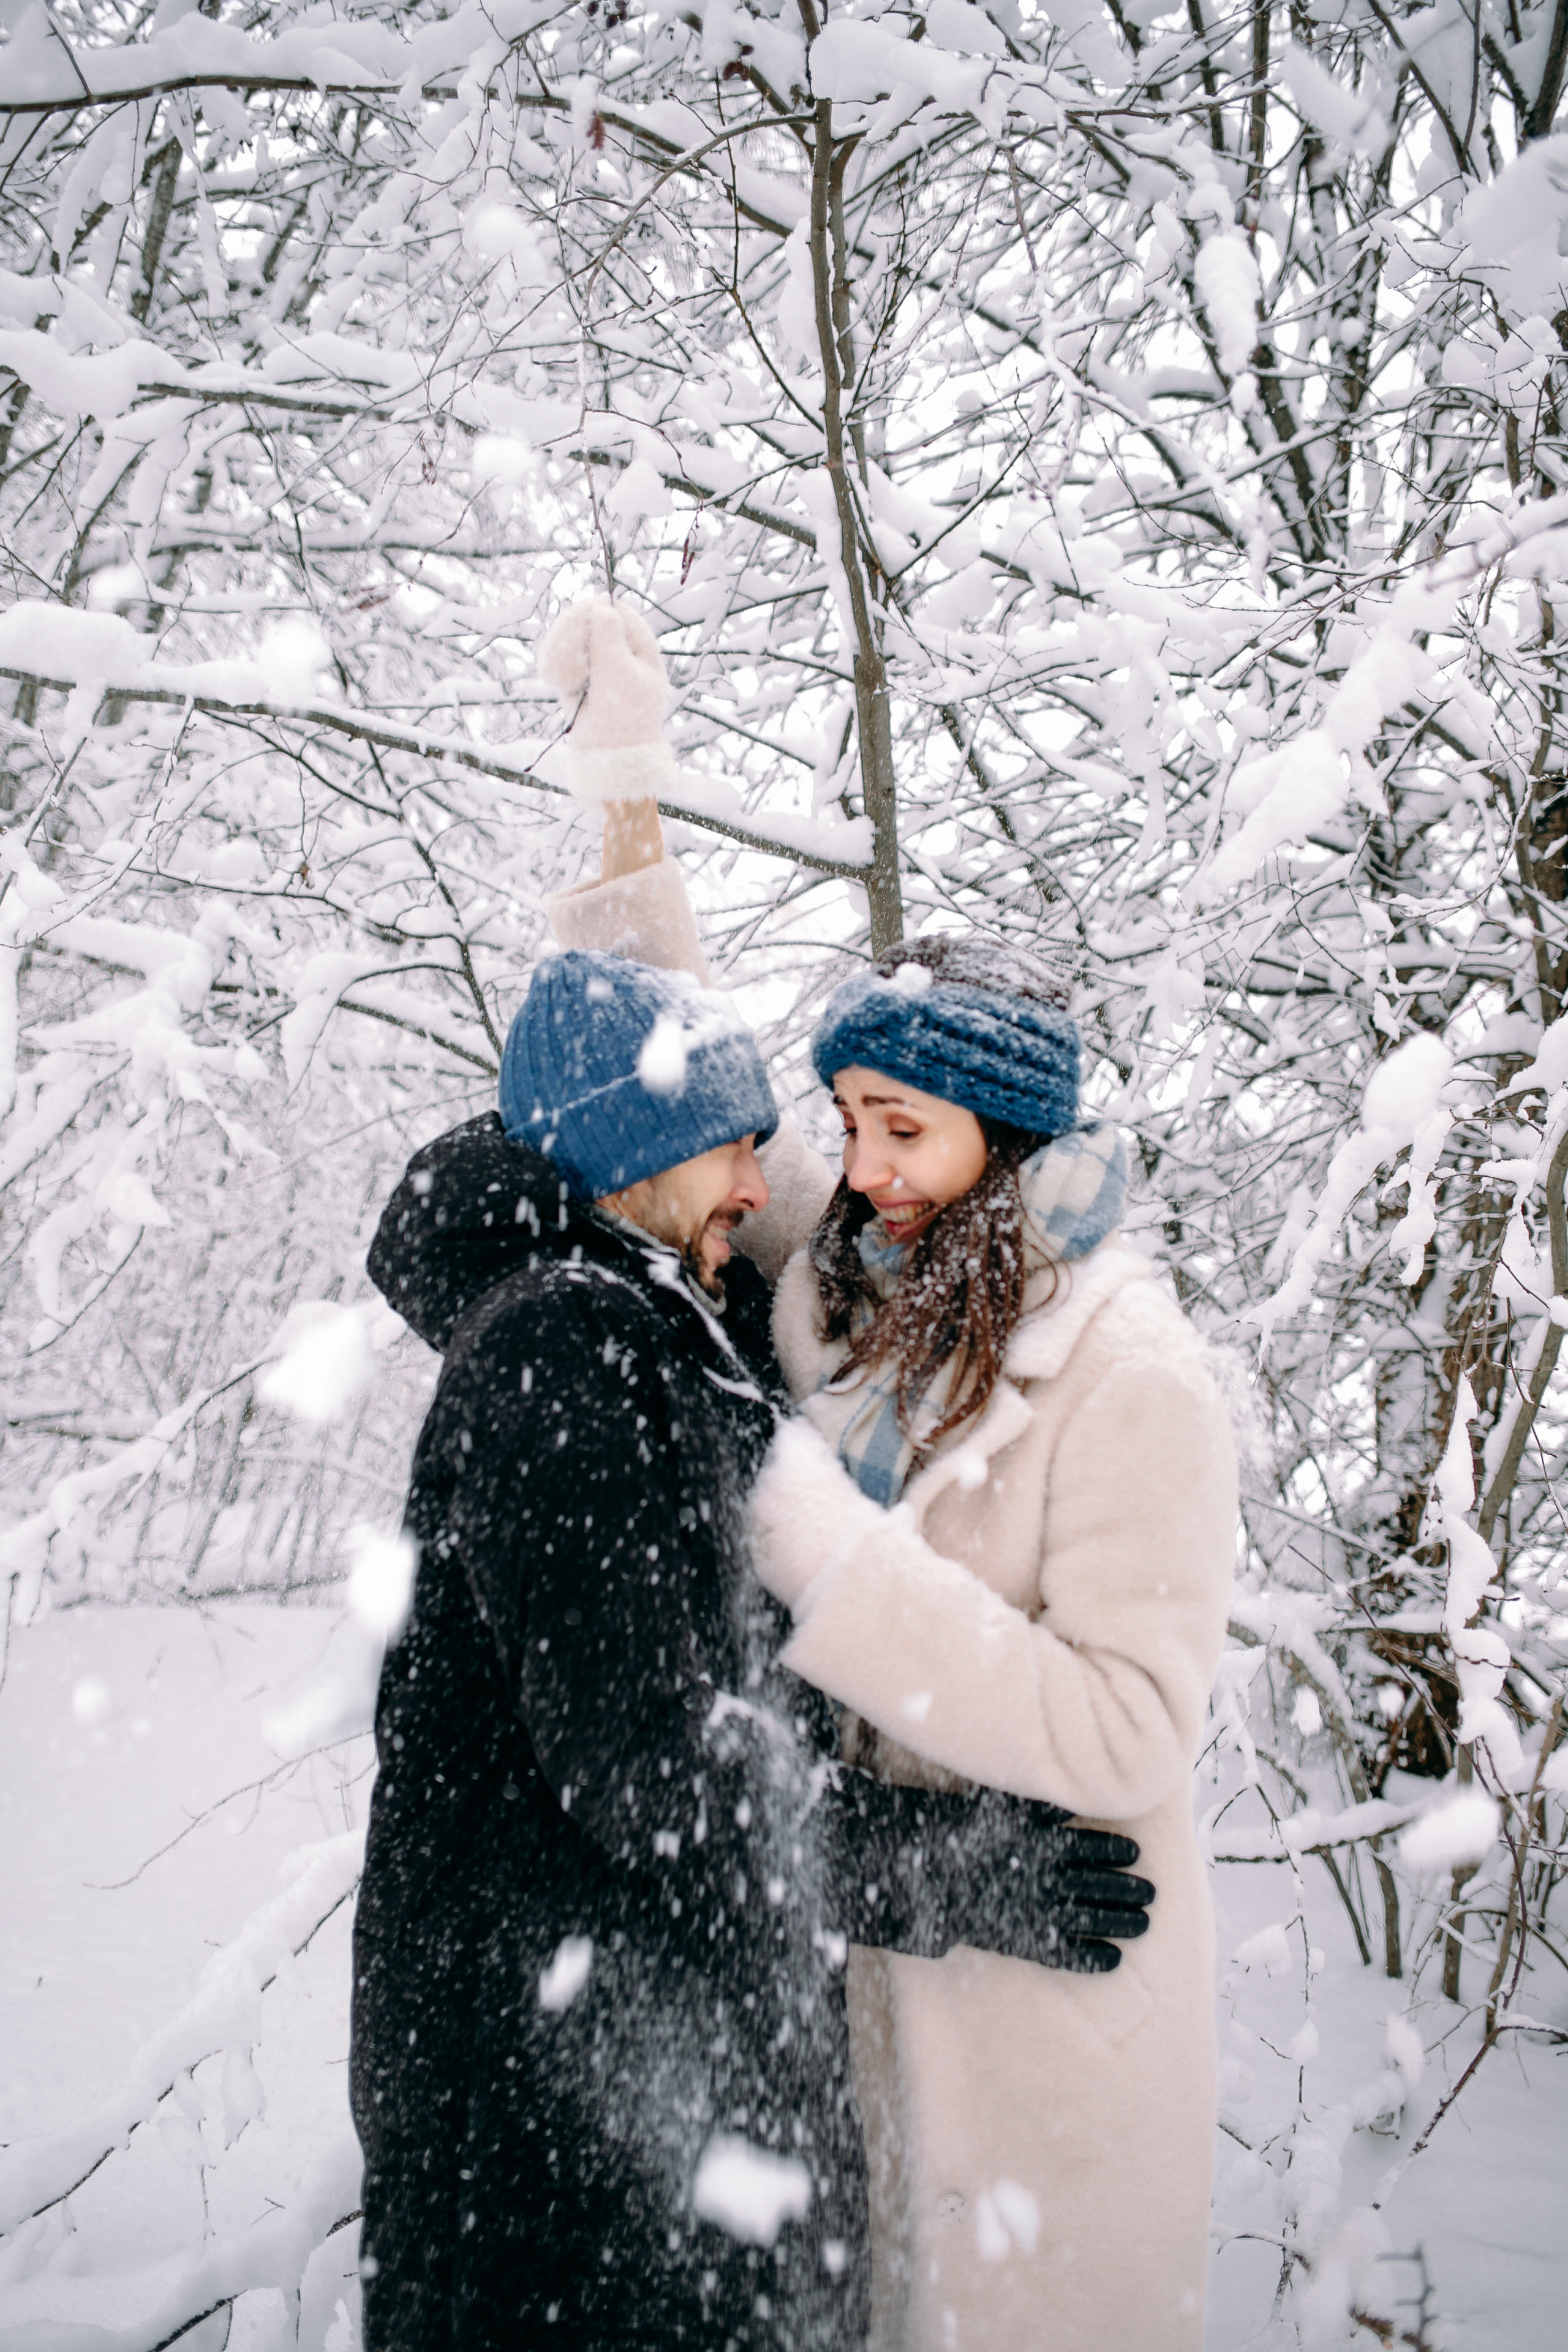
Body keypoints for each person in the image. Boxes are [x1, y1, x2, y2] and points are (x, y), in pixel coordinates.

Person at [348, 609, 1158, 2352]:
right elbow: (659, 1768)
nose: (818, 1173)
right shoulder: (594, 1339)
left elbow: (669, 1071)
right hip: (591, 2123)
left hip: (637, 2078)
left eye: (890, 1130)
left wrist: (629, 793)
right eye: (807, 1132)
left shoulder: (669, 1297)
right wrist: (959, 1874)